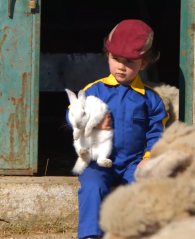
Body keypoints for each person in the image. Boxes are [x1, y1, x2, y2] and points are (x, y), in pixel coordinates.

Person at [65, 19, 169, 239]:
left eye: (130, 61)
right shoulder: (94, 90)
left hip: (134, 162)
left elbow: (156, 131)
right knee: (92, 186)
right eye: (115, 59)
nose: (121, 66)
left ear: (144, 63)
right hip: (98, 161)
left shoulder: (150, 98)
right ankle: (90, 234)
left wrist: (149, 157)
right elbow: (73, 113)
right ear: (107, 55)